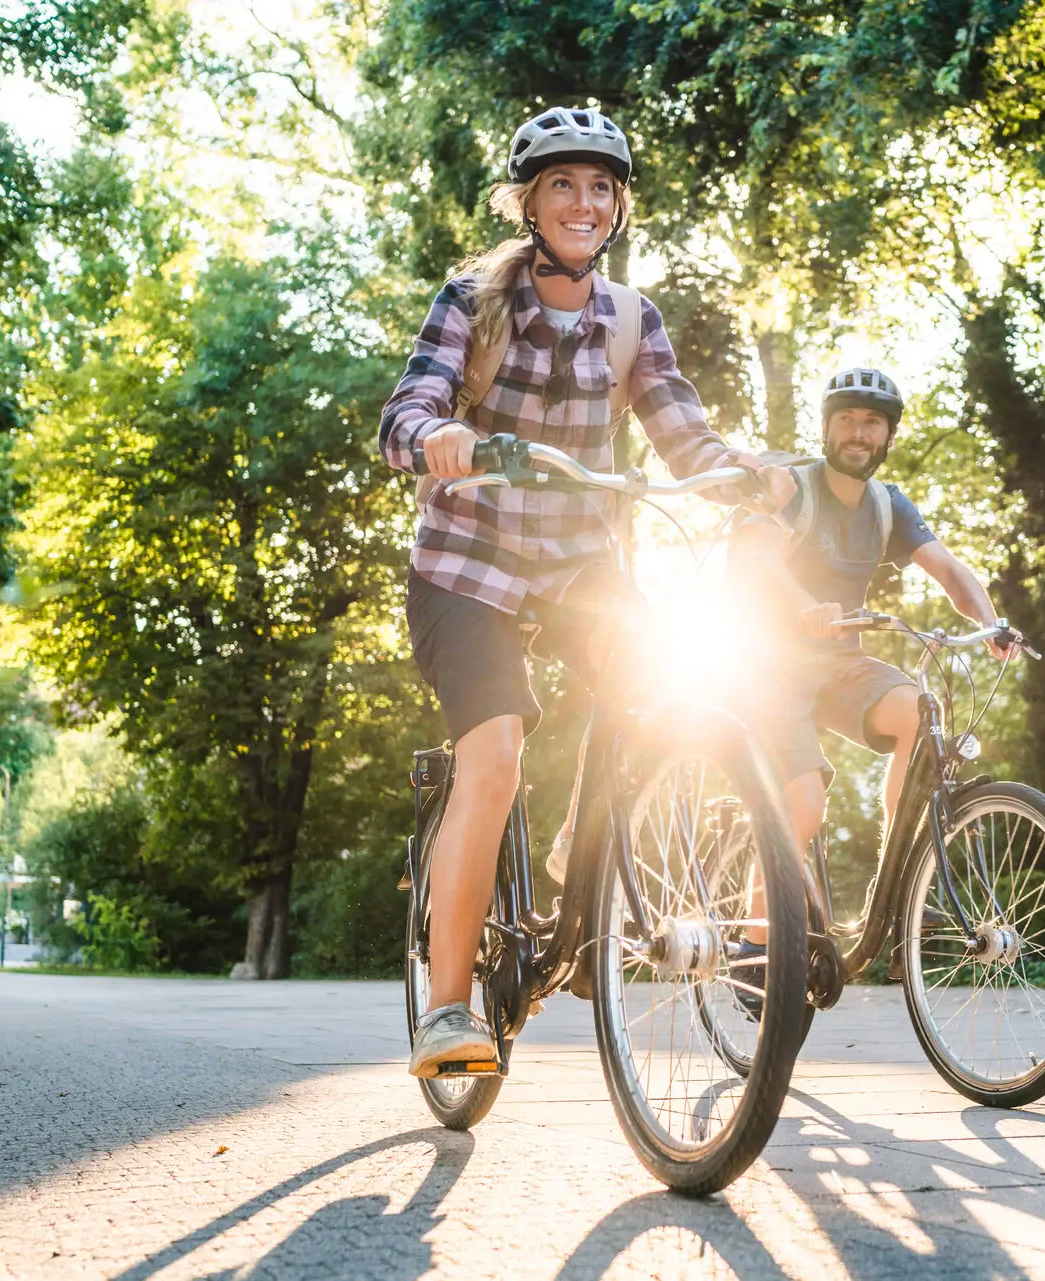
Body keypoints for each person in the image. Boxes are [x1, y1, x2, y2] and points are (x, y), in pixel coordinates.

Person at [378, 106, 791, 1078]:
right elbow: (407, 409)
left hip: (582, 565)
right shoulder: (474, 297)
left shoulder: (633, 321)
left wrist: (741, 469)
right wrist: (439, 437)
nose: (584, 201)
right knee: (495, 755)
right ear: (529, 201)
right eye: (563, 183)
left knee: (654, 698)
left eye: (601, 186)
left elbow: (682, 428)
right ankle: (447, 1014)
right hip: (467, 566)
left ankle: (582, 854)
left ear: (619, 208)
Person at [727, 367, 1012, 986]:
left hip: (841, 664)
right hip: (769, 666)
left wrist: (991, 624)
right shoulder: (793, 489)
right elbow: (761, 559)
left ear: (887, 436)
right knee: (802, 806)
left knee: (923, 713)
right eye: (848, 420)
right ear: (828, 428)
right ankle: (754, 950)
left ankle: (903, 877)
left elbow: (948, 568)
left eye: (873, 423)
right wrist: (804, 605)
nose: (860, 432)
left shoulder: (887, 506)